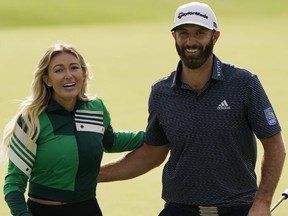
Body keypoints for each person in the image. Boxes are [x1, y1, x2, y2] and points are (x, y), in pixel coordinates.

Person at [98, 2, 286, 216]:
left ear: (215, 37)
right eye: (183, 33)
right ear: (174, 37)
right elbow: (152, 153)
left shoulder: (244, 83)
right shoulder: (161, 92)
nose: (191, 41)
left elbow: (274, 146)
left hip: (238, 209)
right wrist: (91, 175)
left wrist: (262, 201)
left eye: (200, 33)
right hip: (179, 210)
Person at [2, 42, 144, 216]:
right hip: (44, 211)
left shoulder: (95, 108)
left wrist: (155, 135)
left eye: (74, 68)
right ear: (47, 79)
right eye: (59, 70)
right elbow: (14, 184)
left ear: (83, 73)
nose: (68, 75)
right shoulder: (32, 120)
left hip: (88, 208)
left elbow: (110, 141)